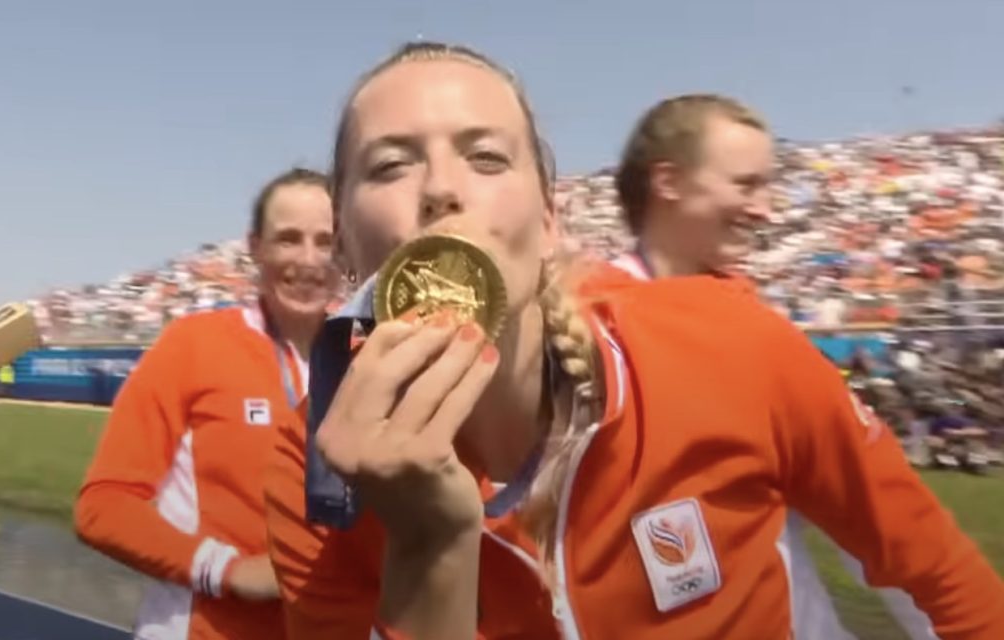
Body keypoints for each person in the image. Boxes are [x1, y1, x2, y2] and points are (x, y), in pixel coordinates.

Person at [263, 42, 1004, 639]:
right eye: (391, 164)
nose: (441, 189)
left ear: (549, 222)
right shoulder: (316, 470)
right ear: (349, 245)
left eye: (486, 157)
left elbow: (943, 587)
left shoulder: (733, 343)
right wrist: (429, 553)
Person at [611, 93, 941, 639]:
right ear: (667, 182)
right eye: (746, 184)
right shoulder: (589, 336)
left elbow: (876, 528)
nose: (767, 208)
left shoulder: (759, 333)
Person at [74, 167, 336, 640]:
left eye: (326, 240)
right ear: (256, 248)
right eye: (289, 239)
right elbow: (103, 506)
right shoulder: (192, 344)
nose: (309, 259)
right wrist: (230, 570)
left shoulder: (362, 355)